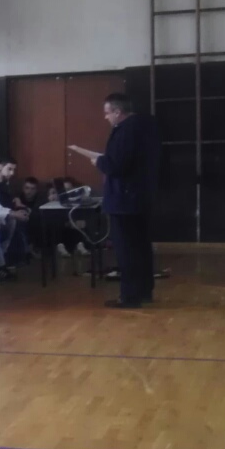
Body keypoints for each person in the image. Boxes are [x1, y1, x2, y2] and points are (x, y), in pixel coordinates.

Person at [69, 93, 161, 308]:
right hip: (141, 197)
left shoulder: (125, 131)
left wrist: (100, 162)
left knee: (126, 249)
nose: (106, 117)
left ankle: (129, 296)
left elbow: (117, 165)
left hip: (124, 200)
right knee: (141, 247)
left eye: (107, 113)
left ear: (118, 112)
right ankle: (144, 291)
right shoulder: (147, 127)